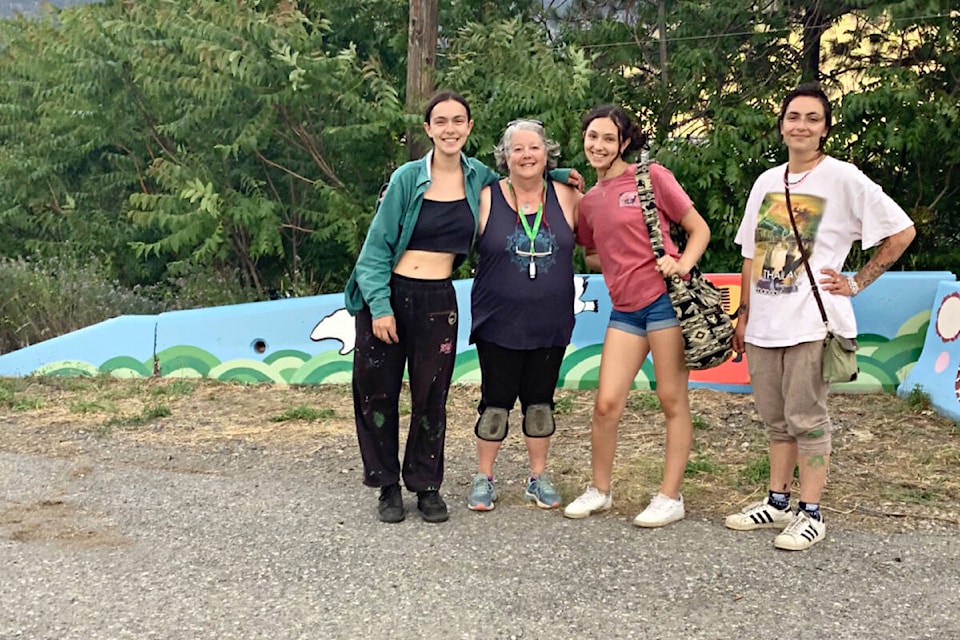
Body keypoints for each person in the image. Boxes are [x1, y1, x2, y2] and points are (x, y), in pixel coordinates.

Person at [344, 91, 581, 524]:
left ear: (469, 128)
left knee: (431, 396)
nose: (450, 129)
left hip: (438, 299)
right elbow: (374, 249)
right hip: (390, 295)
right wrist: (380, 307)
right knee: (376, 394)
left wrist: (561, 170)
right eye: (441, 121)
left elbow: (525, 172)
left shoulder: (481, 180)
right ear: (428, 129)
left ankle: (426, 485)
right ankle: (388, 486)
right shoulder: (406, 179)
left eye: (458, 121)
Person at [726, 83, 915, 550]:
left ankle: (810, 513)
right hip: (766, 323)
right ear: (782, 124)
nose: (801, 125)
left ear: (825, 128)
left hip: (814, 322)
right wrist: (744, 315)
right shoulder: (766, 182)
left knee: (807, 418)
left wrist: (856, 282)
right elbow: (751, 254)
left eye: (812, 118)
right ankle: (776, 501)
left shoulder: (843, 178)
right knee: (775, 419)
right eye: (794, 117)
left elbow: (901, 231)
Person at [562, 105, 711, 528]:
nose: (599, 145)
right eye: (593, 136)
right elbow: (592, 255)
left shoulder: (651, 177)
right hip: (625, 308)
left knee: (671, 398)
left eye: (609, 138)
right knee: (606, 403)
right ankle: (600, 490)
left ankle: (670, 496)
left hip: (665, 301)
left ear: (624, 142)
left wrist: (680, 264)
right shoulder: (589, 201)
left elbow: (699, 229)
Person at [466, 120, 581, 512]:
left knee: (540, 404)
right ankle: (484, 478)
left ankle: (538, 476)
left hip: (550, 323)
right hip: (498, 322)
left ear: (547, 153)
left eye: (534, 148)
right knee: (495, 404)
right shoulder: (484, 196)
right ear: (505, 157)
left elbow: (600, 241)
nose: (527, 155)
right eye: (518, 149)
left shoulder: (567, 194)